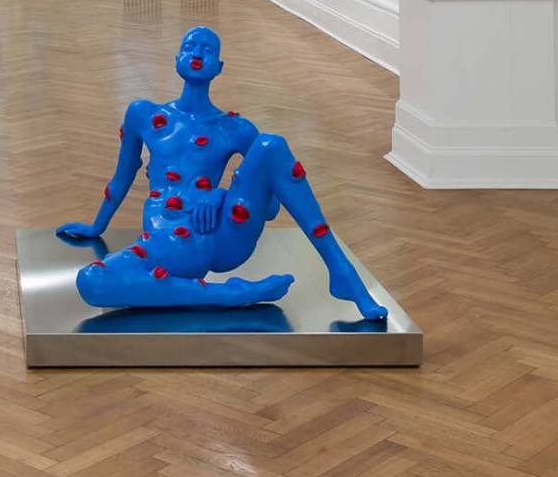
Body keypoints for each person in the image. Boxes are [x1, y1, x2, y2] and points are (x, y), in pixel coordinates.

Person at [54, 26, 387, 319]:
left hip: (224, 233)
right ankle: (230, 294)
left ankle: (343, 273)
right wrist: (97, 226)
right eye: (190, 47)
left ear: (219, 67)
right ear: (176, 59)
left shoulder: (235, 129)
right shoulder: (142, 114)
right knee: (92, 281)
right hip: (165, 239)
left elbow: (270, 209)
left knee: (271, 145)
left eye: (207, 49)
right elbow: (122, 176)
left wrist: (221, 194)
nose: (197, 54)